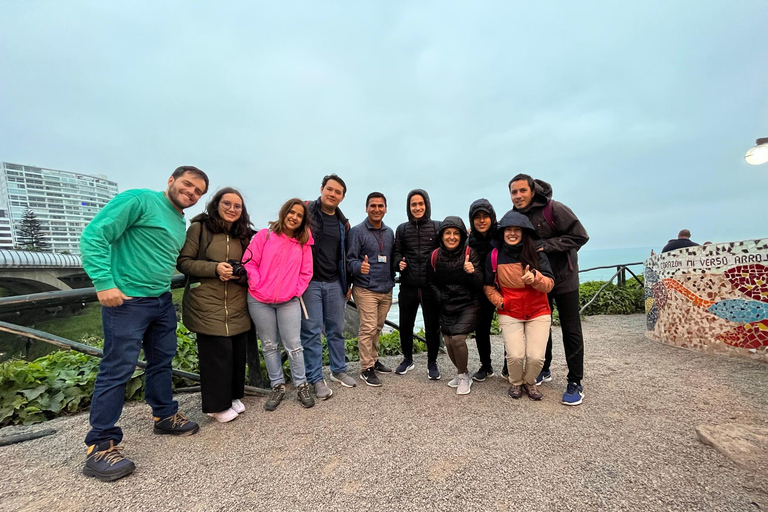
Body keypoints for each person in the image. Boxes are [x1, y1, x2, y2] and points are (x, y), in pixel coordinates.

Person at [80, 166, 208, 482]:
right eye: (187, 185)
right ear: (171, 180)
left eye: (197, 192)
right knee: (117, 369)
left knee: (161, 361)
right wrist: (103, 282)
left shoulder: (179, 221)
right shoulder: (138, 200)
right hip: (127, 301)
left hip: (160, 299)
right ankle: (100, 445)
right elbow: (94, 235)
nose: (190, 193)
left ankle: (164, 414)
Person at [510, 174, 589, 406]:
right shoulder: (516, 216)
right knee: (542, 327)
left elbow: (580, 236)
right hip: (538, 281)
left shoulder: (554, 209)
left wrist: (547, 245)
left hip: (564, 279)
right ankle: (544, 369)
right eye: (514, 192)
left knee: (571, 329)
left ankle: (575, 381)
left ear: (532, 191)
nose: (518, 196)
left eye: (522, 191)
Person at [177, 187, 254, 423]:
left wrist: (239, 274)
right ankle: (215, 406)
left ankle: (232, 396)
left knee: (236, 351)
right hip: (207, 300)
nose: (232, 209)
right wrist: (215, 268)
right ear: (216, 204)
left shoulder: (245, 234)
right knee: (215, 354)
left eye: (237, 206)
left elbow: (252, 266)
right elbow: (184, 262)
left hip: (236, 300)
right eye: (227, 204)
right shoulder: (200, 229)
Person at [245, 199, 315, 411]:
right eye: (291, 212)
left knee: (294, 345)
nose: (294, 217)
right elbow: (249, 262)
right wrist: (258, 285)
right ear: (284, 213)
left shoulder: (303, 243)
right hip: (259, 300)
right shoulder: (263, 236)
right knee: (268, 344)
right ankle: (277, 386)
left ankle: (301, 384)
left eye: (299, 215)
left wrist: (293, 291)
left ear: (303, 220)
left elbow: (306, 272)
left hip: (288, 301)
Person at [483, 211, 555, 401]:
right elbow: (488, 286)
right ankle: (516, 382)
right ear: (502, 233)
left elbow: (550, 283)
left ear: (525, 232)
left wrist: (535, 278)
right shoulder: (494, 255)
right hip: (510, 310)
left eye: (517, 230)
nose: (512, 233)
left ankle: (529, 381)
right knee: (515, 355)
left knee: (536, 357)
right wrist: (501, 301)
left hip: (538, 310)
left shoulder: (537, 253)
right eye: (508, 230)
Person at [302, 174, 355, 399]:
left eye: (338, 192)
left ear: (342, 197)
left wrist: (348, 283)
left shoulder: (344, 223)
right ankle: (315, 377)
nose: (332, 194)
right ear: (322, 189)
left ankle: (338, 370)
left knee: (336, 330)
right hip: (309, 281)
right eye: (329, 189)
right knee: (312, 332)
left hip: (335, 282)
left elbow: (346, 255)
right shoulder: (306, 212)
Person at [427, 216, 483, 395]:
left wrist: (472, 272)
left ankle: (463, 375)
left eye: (456, 233)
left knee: (458, 339)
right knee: (448, 341)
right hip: (446, 304)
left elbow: (480, 283)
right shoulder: (435, 255)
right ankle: (462, 373)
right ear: (442, 235)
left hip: (467, 304)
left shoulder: (470, 253)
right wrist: (440, 297)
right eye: (448, 233)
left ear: (461, 235)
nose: (452, 237)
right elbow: (430, 282)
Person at [347, 192, 396, 387]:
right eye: (373, 206)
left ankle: (374, 360)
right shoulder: (357, 232)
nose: (376, 209)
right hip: (365, 288)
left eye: (380, 206)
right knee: (367, 327)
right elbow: (349, 260)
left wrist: (399, 264)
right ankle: (366, 368)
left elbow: (392, 257)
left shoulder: (390, 232)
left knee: (377, 328)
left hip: (386, 288)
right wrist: (359, 267)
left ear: (385, 209)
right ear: (366, 208)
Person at [393, 189, 442, 379]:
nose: (417, 207)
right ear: (409, 207)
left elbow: (447, 249)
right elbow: (396, 253)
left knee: (432, 326)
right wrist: (398, 263)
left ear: (426, 205)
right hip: (408, 285)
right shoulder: (402, 229)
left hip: (430, 285)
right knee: (405, 324)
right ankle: (407, 359)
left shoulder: (437, 227)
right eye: (414, 204)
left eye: (421, 204)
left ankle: (432, 363)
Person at [466, 199, 498, 382]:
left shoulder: (501, 234)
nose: (481, 220)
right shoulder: (470, 240)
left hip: (502, 288)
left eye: (485, 216)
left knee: (508, 326)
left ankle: (508, 366)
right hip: (480, 289)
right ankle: (486, 365)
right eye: (477, 217)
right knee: (481, 329)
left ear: (492, 217)